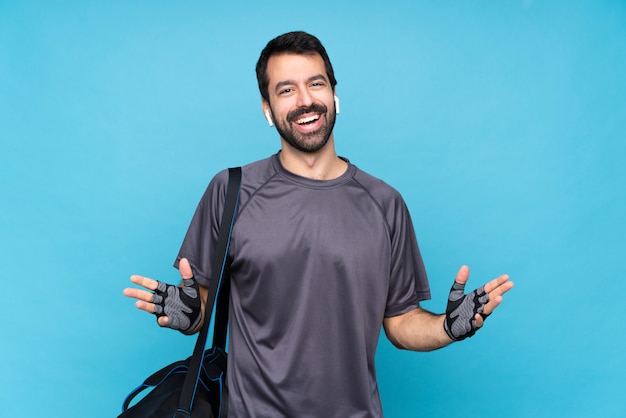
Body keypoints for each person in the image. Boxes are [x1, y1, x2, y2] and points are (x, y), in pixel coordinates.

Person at [124, 31, 514, 417]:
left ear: (334, 95)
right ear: (267, 108)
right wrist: (191, 316)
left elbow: (400, 323)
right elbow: (203, 306)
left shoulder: (384, 203)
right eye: (286, 90)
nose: (306, 100)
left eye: (316, 83)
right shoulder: (232, 191)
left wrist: (448, 327)